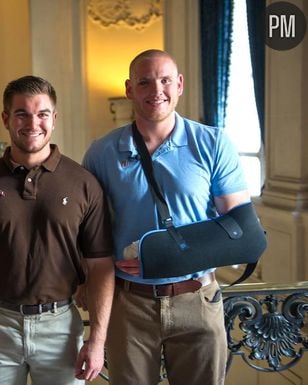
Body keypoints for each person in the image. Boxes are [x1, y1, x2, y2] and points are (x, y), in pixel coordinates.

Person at [83, 49, 250, 385]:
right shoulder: (102, 152)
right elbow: (88, 231)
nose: (155, 89)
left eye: (164, 80)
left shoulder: (212, 143)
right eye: (144, 82)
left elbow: (241, 232)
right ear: (130, 90)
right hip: (129, 304)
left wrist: (165, 258)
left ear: (180, 85)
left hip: (197, 300)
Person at [0, 75, 115, 385]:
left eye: (41, 114)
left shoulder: (84, 183)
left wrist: (98, 339)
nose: (32, 122)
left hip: (61, 327)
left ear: (54, 118)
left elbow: (101, 265)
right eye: (21, 113)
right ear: (6, 119)